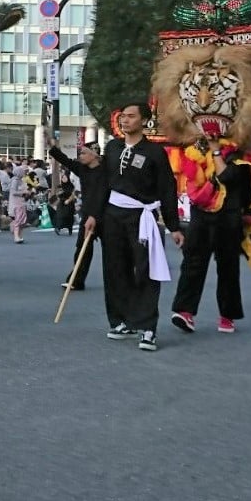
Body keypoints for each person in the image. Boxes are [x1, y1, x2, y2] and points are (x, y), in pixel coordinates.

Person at [84, 102, 185, 352]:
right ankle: (122, 321)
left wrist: (174, 225)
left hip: (143, 216)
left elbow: (167, 189)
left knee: (146, 271)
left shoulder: (154, 152)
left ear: (144, 121)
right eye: (123, 117)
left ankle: (148, 327)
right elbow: (103, 184)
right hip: (112, 216)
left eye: (131, 116)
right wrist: (93, 215)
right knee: (115, 270)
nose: (125, 121)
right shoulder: (113, 147)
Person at [171, 130, 251, 335]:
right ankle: (185, 312)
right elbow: (191, 183)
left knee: (228, 267)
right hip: (201, 214)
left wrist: (216, 151)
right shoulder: (195, 150)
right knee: (192, 262)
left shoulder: (239, 151)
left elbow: (227, 176)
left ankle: (227, 316)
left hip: (228, 215)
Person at [48, 136, 108, 291]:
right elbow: (65, 160)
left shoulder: (106, 171)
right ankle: (76, 280)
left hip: (105, 215)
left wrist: (95, 215)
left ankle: (118, 280)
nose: (80, 156)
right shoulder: (82, 169)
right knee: (82, 248)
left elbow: (102, 195)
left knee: (112, 250)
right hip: (87, 215)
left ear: (95, 155)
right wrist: (53, 147)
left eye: (84, 153)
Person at [7, 160, 29, 243]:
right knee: (19, 220)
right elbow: (13, 192)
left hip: (21, 202)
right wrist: (23, 193)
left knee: (22, 220)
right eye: (24, 171)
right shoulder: (15, 180)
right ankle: (16, 236)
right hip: (16, 204)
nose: (25, 173)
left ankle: (19, 235)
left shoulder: (20, 180)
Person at [52, 171, 76, 235]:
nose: (64, 179)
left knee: (68, 216)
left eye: (65, 177)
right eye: (62, 178)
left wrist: (69, 200)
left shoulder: (71, 186)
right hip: (61, 203)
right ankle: (58, 228)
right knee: (60, 215)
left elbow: (73, 194)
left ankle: (70, 229)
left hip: (69, 203)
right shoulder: (60, 186)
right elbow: (56, 195)